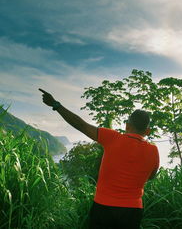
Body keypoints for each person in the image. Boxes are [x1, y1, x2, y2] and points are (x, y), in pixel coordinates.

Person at [39, 88, 160, 229]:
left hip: (103, 207)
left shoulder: (112, 138)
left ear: (127, 125)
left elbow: (81, 125)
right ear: (147, 131)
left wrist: (56, 104)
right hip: (133, 210)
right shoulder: (153, 150)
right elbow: (151, 176)